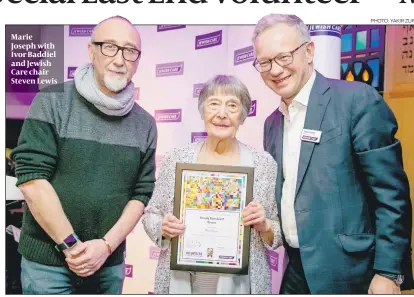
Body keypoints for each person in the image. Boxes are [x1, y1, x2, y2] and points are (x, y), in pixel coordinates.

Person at [252, 13, 412, 294]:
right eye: (265, 62)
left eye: (284, 57)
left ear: (309, 51)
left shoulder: (355, 100)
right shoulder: (271, 124)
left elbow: (391, 194)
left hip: (352, 272)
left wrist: (388, 272)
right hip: (297, 269)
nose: (275, 70)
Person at [10, 16, 157, 294]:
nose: (119, 59)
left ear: (137, 60)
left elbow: (141, 193)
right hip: (47, 266)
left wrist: (106, 246)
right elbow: (31, 180)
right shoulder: (52, 100)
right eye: (109, 47)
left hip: (108, 265)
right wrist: (72, 247)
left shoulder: (145, 123)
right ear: (91, 51)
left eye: (130, 51)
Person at [142, 75, 283, 294]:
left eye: (233, 106)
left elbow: (279, 229)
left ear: (243, 116)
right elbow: (151, 214)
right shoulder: (177, 159)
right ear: (202, 111)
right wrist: (162, 227)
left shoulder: (263, 164)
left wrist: (264, 225)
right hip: (182, 280)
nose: (222, 114)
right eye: (214, 103)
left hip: (241, 284)